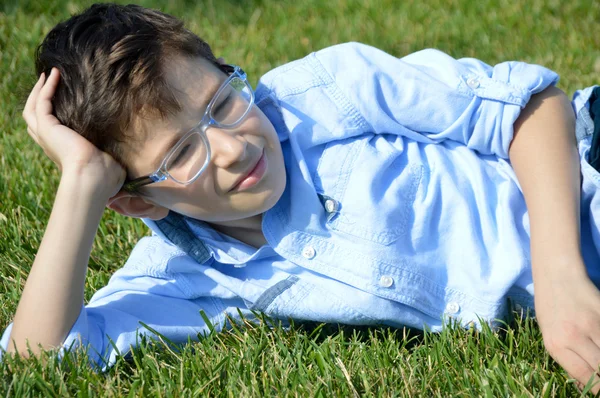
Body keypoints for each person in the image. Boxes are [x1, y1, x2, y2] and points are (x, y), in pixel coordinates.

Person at [3, 2, 600, 391]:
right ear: (137, 200)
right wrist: (79, 186)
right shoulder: (187, 274)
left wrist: (560, 281)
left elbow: (529, 107)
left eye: (223, 102)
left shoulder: (328, 94)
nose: (234, 147)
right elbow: (36, 360)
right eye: (182, 154)